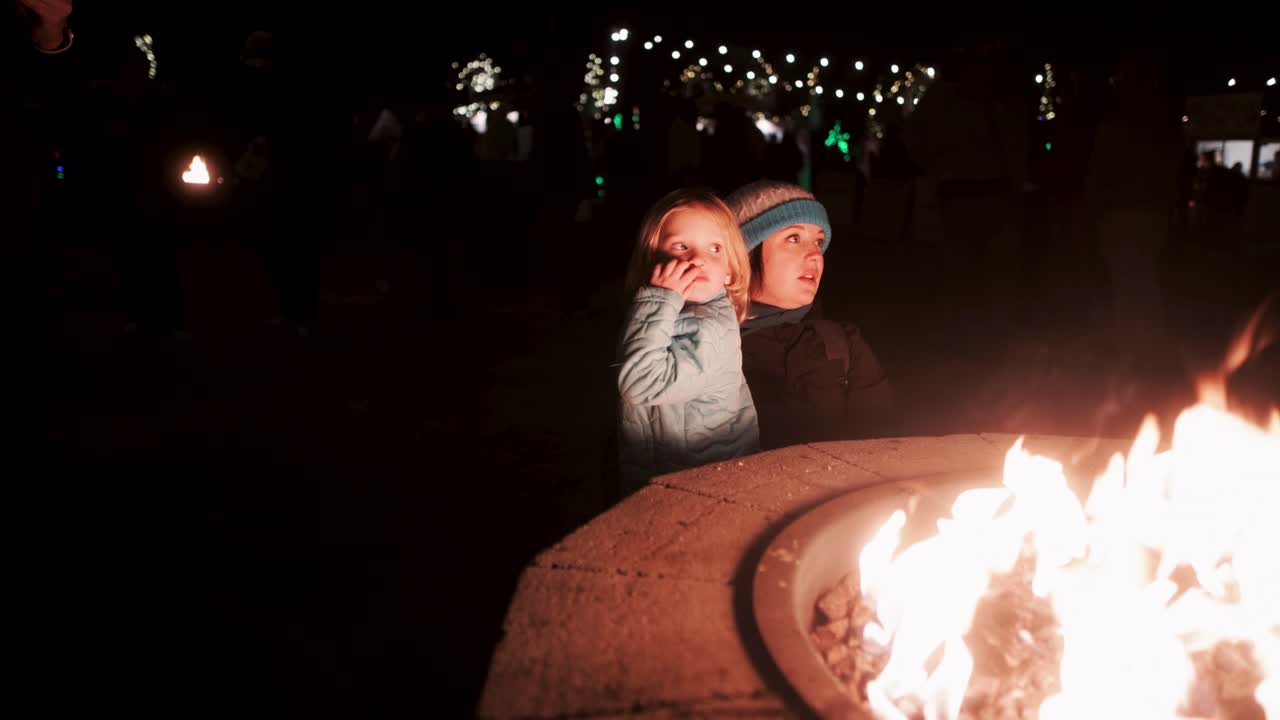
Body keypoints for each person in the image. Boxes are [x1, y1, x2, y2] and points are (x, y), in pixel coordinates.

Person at [726, 180, 893, 450]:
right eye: (794, 238)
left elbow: (882, 450)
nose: (815, 255)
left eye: (818, 241)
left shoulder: (843, 346)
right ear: (744, 254)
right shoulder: (703, 350)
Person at [615, 188, 759, 493]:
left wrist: (659, 300)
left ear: (730, 272)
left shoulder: (707, 329)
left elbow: (641, 382)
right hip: (667, 475)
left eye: (715, 249)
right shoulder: (670, 312)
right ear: (652, 259)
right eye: (681, 246)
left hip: (698, 487)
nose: (698, 259)